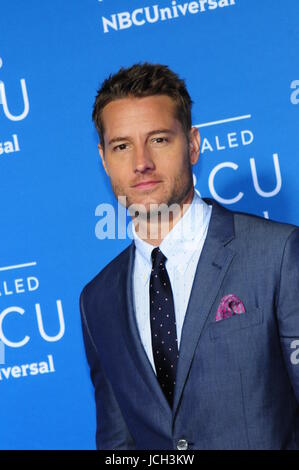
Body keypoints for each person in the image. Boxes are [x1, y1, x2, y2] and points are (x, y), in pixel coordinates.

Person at [79, 63, 299, 450]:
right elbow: (118, 446)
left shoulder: (277, 255)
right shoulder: (97, 300)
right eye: (122, 146)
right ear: (103, 158)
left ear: (193, 144)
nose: (141, 162)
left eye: (159, 139)